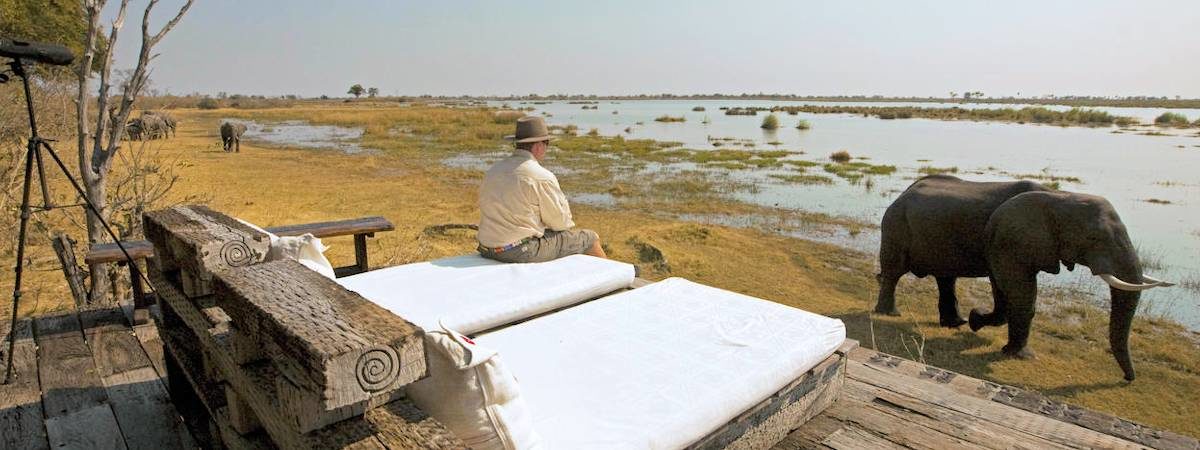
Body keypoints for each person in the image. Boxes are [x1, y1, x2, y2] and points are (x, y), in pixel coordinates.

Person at [477, 116, 607, 263]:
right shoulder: (541, 176)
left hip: (487, 248)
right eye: (547, 143)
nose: (546, 148)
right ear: (539, 145)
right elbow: (561, 224)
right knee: (589, 238)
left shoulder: (494, 170)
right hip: (518, 251)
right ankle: (617, 276)